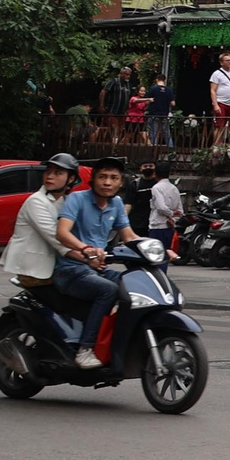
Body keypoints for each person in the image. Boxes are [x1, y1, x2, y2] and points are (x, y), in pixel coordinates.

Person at [53, 157, 143, 371]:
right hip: (70, 269)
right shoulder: (77, 199)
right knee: (108, 290)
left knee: (134, 285)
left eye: (114, 178)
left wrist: (158, 248)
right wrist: (86, 249)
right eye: (102, 177)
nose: (107, 182)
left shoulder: (117, 204)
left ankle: (117, 340)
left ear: (121, 183)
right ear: (93, 180)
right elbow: (62, 232)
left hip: (98, 268)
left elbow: (129, 236)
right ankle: (86, 348)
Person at [4, 154, 76, 290]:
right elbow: (54, 236)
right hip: (34, 269)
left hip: (56, 266)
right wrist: (83, 255)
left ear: (71, 178)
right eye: (48, 171)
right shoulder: (36, 201)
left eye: (57, 173)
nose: (50, 176)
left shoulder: (68, 202)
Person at [146, 166, 183, 260]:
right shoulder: (174, 188)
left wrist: (170, 214)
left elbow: (161, 207)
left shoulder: (156, 188)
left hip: (157, 225)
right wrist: (173, 218)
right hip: (169, 226)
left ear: (155, 174)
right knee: (166, 254)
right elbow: (180, 211)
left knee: (155, 255)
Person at [209, 54, 230, 146]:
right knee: (220, 125)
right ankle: (216, 145)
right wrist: (215, 104)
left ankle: (224, 143)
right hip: (221, 102)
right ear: (221, 63)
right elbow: (212, 90)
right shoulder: (217, 74)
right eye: (227, 60)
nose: (229, 62)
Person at [99, 65, 132, 139]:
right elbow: (103, 92)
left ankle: (115, 145)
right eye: (126, 74)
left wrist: (127, 109)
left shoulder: (128, 85)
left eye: (129, 75)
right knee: (114, 129)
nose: (128, 76)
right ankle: (112, 146)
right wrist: (101, 105)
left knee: (120, 130)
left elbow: (128, 97)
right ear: (121, 74)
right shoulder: (114, 81)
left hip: (122, 112)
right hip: (113, 110)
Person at [146, 73, 174, 148]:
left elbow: (147, 101)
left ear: (157, 80)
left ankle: (153, 149)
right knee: (167, 133)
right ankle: (171, 150)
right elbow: (173, 103)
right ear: (165, 80)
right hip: (164, 114)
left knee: (154, 132)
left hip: (154, 114)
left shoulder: (153, 89)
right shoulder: (169, 90)